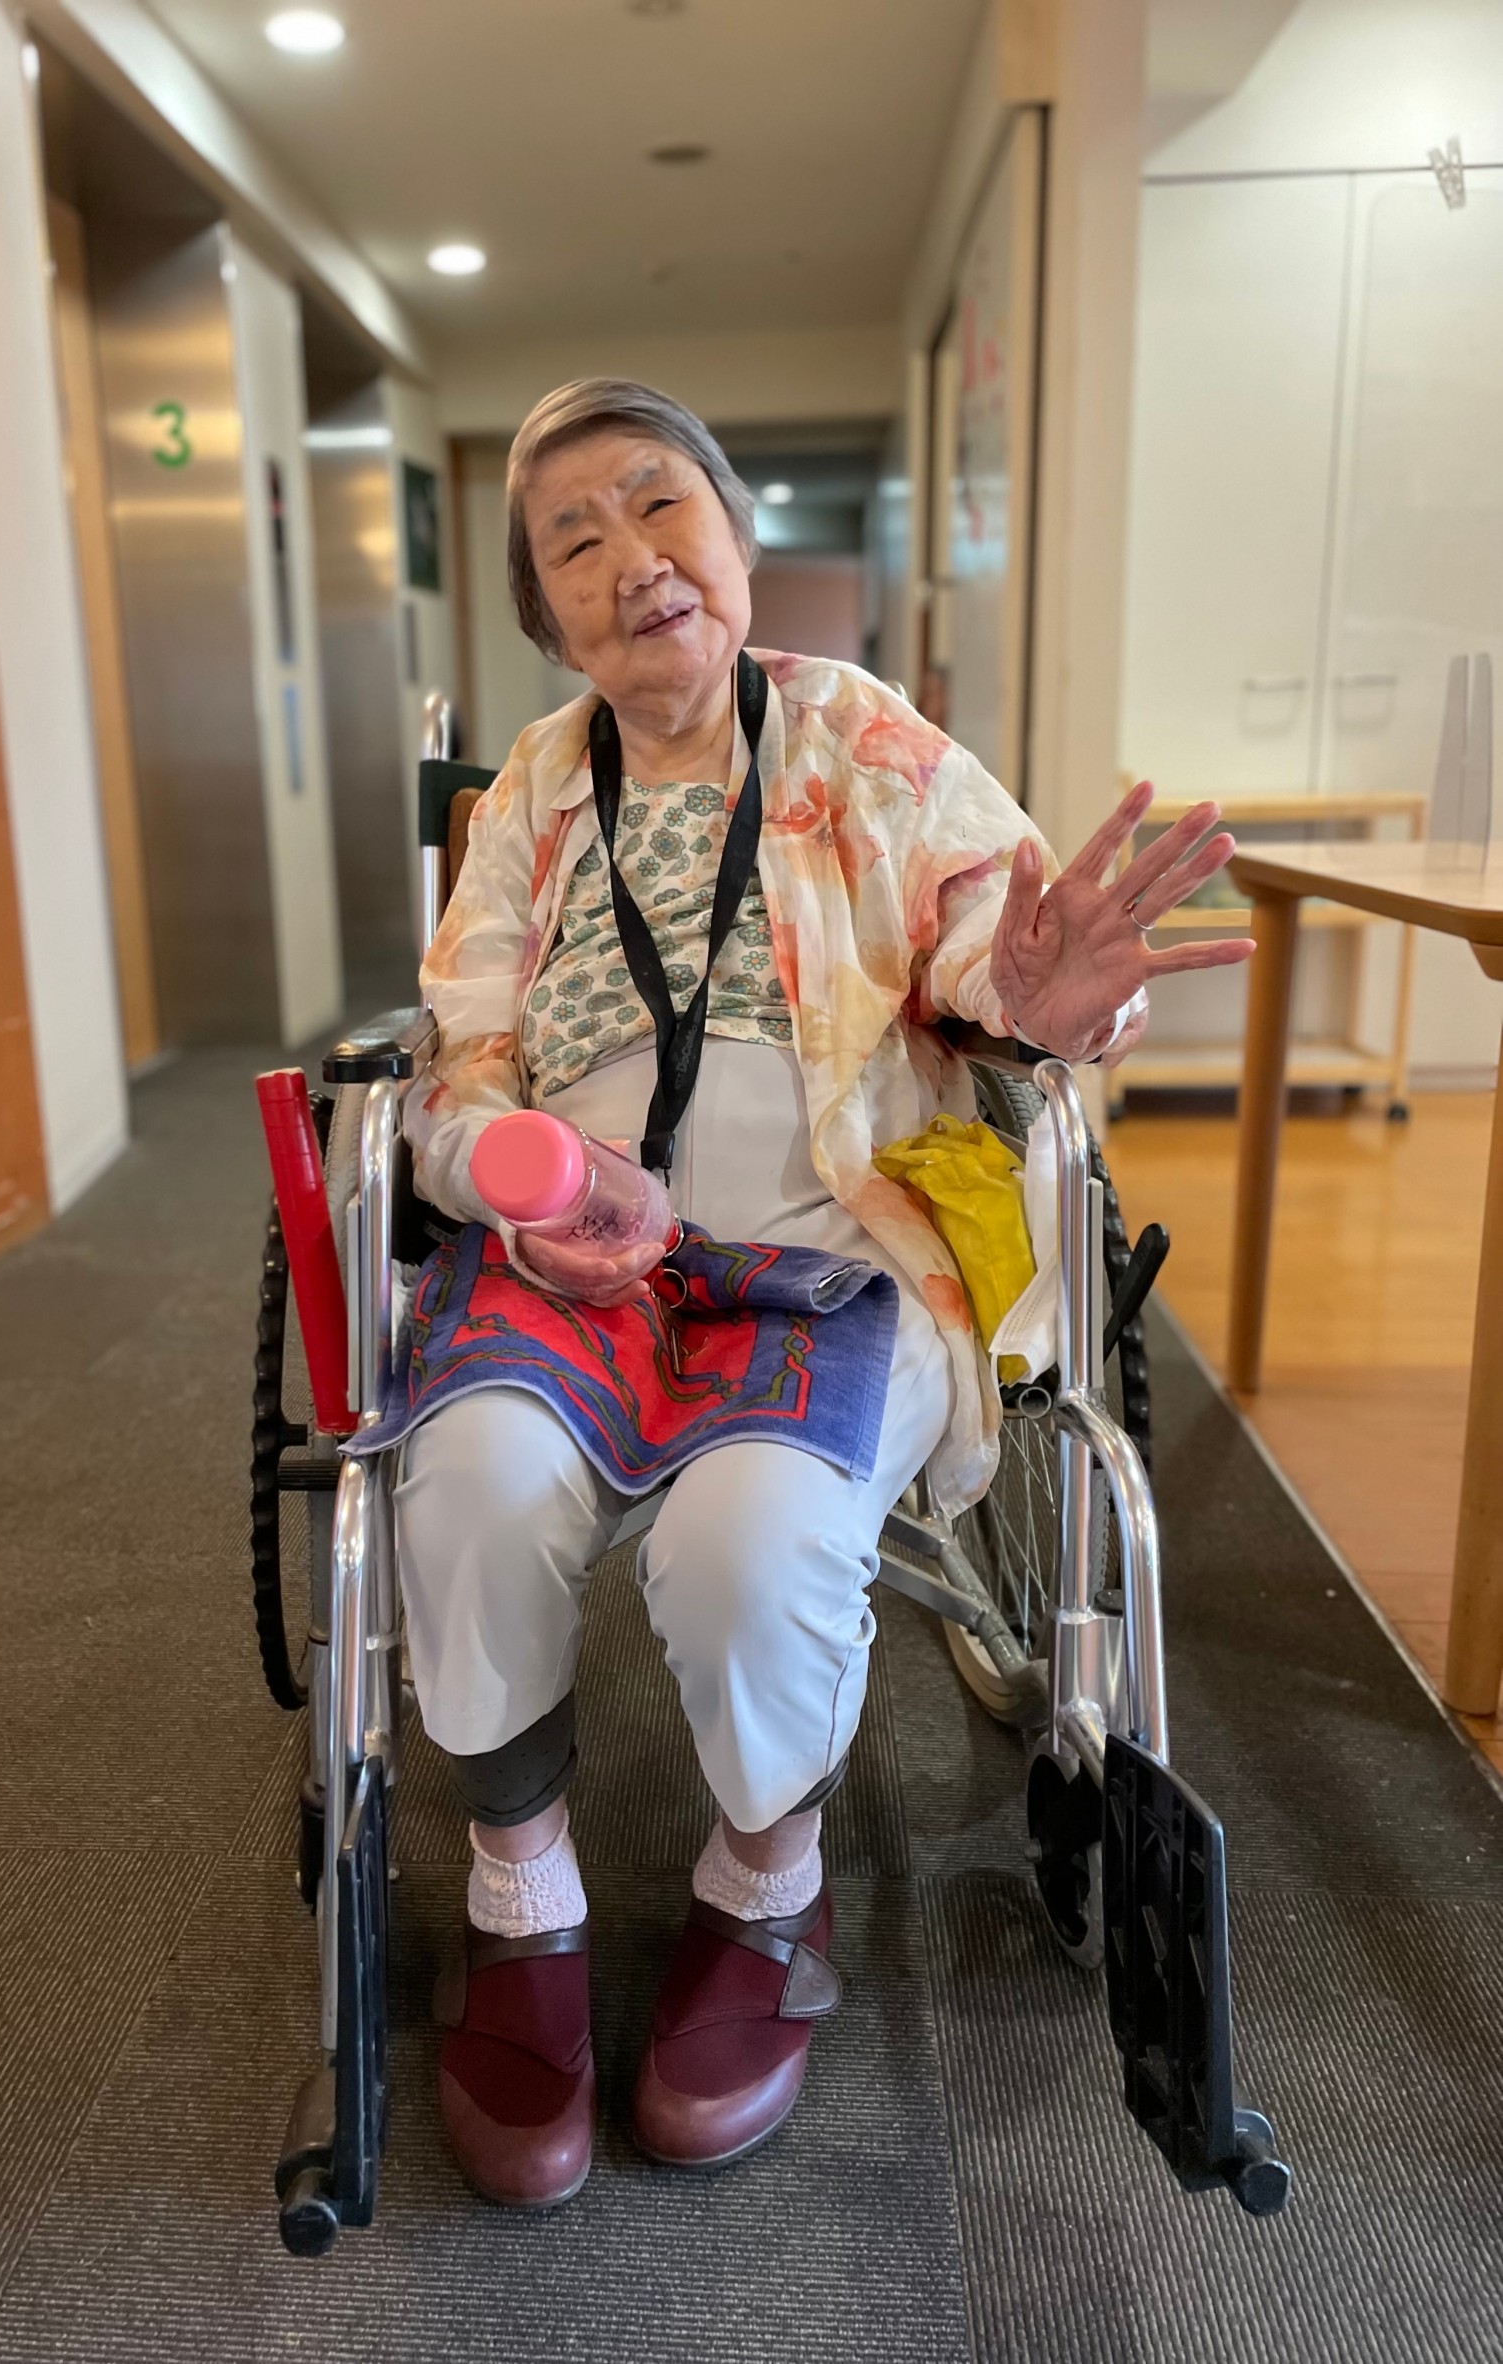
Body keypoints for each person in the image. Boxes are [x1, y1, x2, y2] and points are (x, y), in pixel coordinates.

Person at [396, 379, 1253, 2210]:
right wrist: (503, 1177)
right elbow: (457, 1056)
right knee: (462, 1481)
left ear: (732, 533)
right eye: (573, 542)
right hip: (572, 1263)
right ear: (546, 615)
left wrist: (1041, 990)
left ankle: (764, 1886)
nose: (632, 561)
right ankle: (519, 1891)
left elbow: (995, 945)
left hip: (828, 1257)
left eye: (659, 507)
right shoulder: (533, 790)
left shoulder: (859, 734)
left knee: (755, 1543)